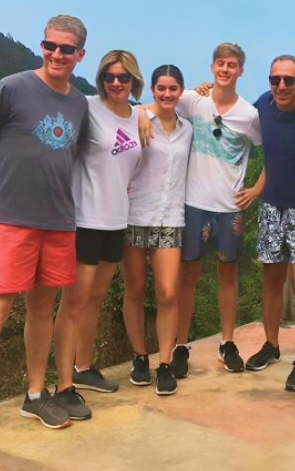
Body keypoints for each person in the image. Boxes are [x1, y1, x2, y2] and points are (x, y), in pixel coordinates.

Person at [0, 15, 90, 467]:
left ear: (79, 55)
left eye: (66, 49)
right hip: (9, 220)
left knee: (42, 311)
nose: (56, 54)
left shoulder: (80, 105)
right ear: (42, 46)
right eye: (50, 45)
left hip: (58, 222)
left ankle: (34, 394)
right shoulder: (10, 87)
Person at [52, 51, 144, 418]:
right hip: (85, 218)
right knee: (73, 303)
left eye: (123, 77)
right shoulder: (87, 107)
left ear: (133, 80)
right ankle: (63, 385)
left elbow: (154, 108)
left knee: (97, 298)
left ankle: (83, 367)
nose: (116, 82)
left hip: (116, 219)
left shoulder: (138, 116)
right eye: (109, 76)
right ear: (101, 78)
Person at [172, 43, 262, 373]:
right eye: (220, 64)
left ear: (240, 71)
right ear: (212, 67)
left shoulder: (250, 115)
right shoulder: (193, 101)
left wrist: (257, 188)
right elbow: (161, 107)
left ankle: (227, 342)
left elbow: (275, 152)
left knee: (228, 276)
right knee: (188, 277)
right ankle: (181, 345)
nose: (225, 69)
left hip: (230, 206)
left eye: (232, 65)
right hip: (195, 202)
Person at [242, 55, 295, 392]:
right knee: (271, 280)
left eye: (289, 80)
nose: (282, 86)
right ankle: (271, 344)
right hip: (272, 206)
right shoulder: (264, 105)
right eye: (276, 80)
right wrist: (258, 189)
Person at [120, 65, 192, 396]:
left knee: (167, 292)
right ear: (152, 89)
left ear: (181, 91)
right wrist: (138, 111)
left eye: (173, 88)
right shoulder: (137, 119)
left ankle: (164, 362)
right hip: (135, 213)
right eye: (161, 88)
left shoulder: (187, 130)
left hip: (170, 217)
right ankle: (139, 356)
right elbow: (118, 111)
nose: (167, 94)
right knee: (134, 290)